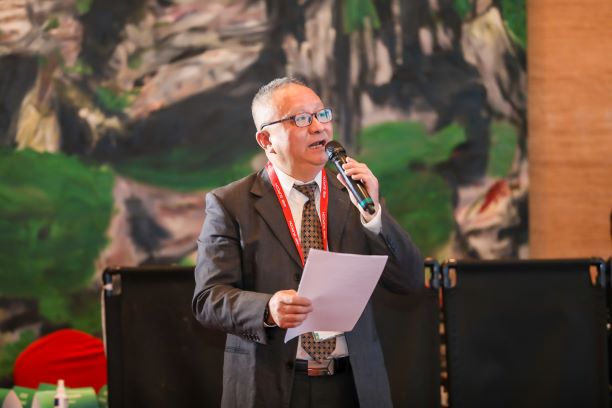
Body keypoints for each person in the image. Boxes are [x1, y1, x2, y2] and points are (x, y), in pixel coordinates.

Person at [192, 77, 423, 408]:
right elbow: (208, 300)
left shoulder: (353, 195)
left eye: (322, 114)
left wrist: (374, 215)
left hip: (354, 386)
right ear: (266, 139)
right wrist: (267, 309)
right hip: (272, 387)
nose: (318, 127)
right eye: (300, 119)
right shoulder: (231, 204)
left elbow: (410, 279)